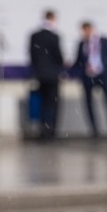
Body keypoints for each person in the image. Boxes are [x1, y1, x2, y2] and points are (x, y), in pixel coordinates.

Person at [72, 20, 107, 138]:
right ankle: (94, 130)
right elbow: (79, 61)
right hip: (88, 76)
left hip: (103, 75)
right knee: (89, 103)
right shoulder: (82, 44)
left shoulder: (104, 41)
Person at [27, 9, 64, 141]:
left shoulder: (34, 36)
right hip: (52, 76)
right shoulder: (54, 36)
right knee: (52, 104)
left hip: (40, 75)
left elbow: (32, 55)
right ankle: (51, 132)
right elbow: (58, 57)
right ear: (52, 19)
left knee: (42, 103)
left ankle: (43, 131)